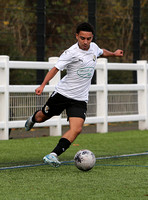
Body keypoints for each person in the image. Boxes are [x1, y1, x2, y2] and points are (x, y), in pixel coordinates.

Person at [25, 22, 123, 167]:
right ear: (76, 36)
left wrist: (113, 54)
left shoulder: (93, 47)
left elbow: (101, 51)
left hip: (79, 98)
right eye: (82, 38)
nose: (85, 42)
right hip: (62, 94)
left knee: (77, 129)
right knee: (41, 118)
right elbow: (55, 69)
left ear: (92, 37)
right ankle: (33, 118)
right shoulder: (70, 53)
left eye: (88, 39)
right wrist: (43, 85)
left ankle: (52, 155)